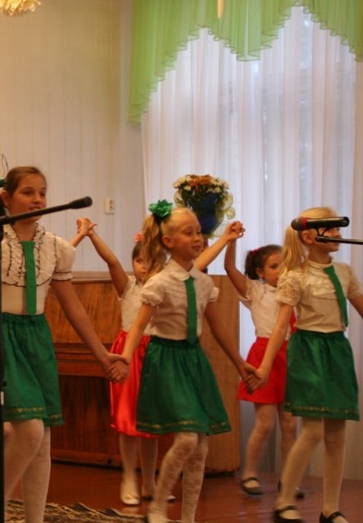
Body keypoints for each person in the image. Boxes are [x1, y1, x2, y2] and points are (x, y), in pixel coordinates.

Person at [0, 166, 126, 523]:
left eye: (42, 192)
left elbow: (73, 307)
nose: (38, 199)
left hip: (35, 339)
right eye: (28, 192)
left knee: (43, 441)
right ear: (6, 198)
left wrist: (102, 353)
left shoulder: (55, 247)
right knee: (31, 430)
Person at [74, 210, 241, 506]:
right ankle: (128, 476)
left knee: (150, 423)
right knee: (129, 421)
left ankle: (149, 482)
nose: (142, 266)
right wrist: (91, 234)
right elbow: (112, 261)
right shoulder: (129, 287)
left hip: (158, 353)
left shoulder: (169, 281)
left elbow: (200, 262)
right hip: (131, 353)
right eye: (137, 261)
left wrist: (226, 239)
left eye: (148, 261)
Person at [255, 208, 363, 523]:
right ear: (309, 236)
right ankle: (284, 502)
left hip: (337, 350)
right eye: (330, 229)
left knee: (337, 434)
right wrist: (264, 367)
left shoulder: (345, 273)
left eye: (337, 229)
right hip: (308, 351)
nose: (337, 234)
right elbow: (280, 327)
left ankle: (331, 510)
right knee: (313, 431)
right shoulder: (295, 276)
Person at [118, 206, 256, 523]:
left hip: (194, 360)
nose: (197, 238)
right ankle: (157, 506)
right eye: (188, 233)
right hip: (166, 359)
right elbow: (138, 325)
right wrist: (124, 359)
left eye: (199, 232)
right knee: (186, 440)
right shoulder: (159, 282)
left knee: (201, 444)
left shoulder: (203, 282)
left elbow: (218, 328)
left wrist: (240, 363)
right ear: (168, 241)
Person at [223, 239, 300, 498]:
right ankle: (249, 474)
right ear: (260, 272)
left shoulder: (294, 290)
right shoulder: (255, 290)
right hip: (263, 355)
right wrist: (231, 241)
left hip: (291, 355)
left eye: (284, 265)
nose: (281, 271)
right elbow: (229, 268)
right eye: (274, 266)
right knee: (265, 423)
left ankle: (288, 480)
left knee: (290, 425)